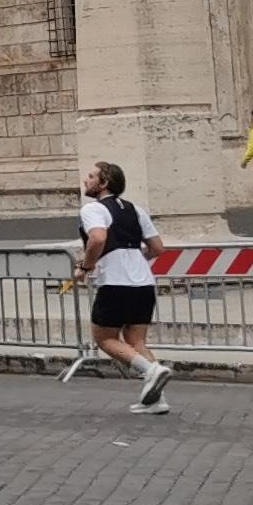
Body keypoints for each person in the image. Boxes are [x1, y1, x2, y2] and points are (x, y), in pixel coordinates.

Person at [75, 159, 172, 409]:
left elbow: (97, 238)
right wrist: (136, 259)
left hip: (116, 282)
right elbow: (158, 248)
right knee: (136, 341)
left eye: (91, 176)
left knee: (104, 337)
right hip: (143, 282)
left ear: (104, 183)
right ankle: (157, 401)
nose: (86, 180)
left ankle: (151, 370)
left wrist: (85, 267)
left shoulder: (93, 209)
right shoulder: (135, 209)